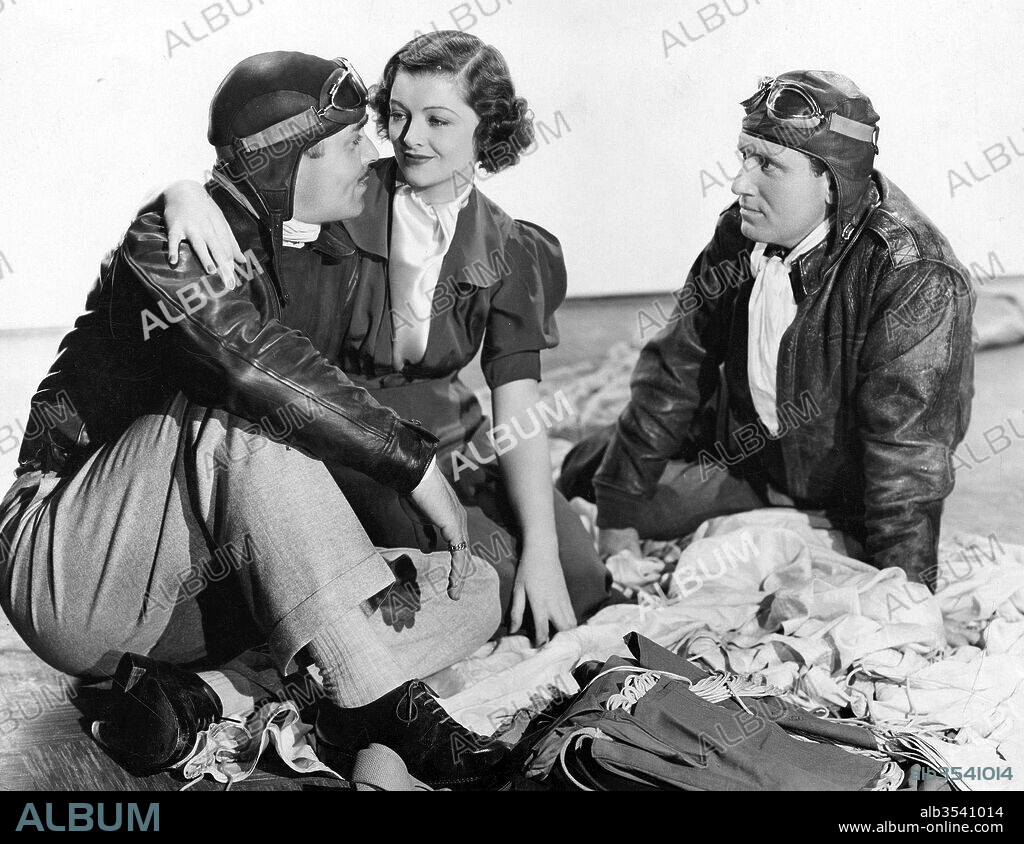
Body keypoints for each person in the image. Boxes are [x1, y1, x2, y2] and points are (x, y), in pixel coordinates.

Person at [0, 50, 511, 789]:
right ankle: (387, 709)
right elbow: (250, 365)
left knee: (474, 587)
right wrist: (417, 463)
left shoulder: (279, 249)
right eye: (348, 143)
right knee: (248, 422)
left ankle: (214, 694)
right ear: (286, 162)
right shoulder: (167, 239)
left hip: (178, 601)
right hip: (69, 568)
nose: (372, 154)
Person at [160, 31, 617, 646]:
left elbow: (517, 404)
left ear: (488, 130)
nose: (409, 137)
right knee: (475, 580)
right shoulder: (338, 191)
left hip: (458, 433)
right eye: (397, 115)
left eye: (438, 119)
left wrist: (540, 544)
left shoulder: (513, 246)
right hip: (349, 436)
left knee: (576, 576)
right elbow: (244, 197)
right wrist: (180, 191)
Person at [560, 71, 975, 587]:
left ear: (831, 181)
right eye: (743, 157)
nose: (739, 183)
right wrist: (618, 515)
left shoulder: (912, 273)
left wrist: (906, 591)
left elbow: (907, 454)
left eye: (768, 165)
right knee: (585, 474)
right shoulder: (740, 231)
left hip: (844, 489)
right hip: (752, 458)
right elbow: (676, 365)